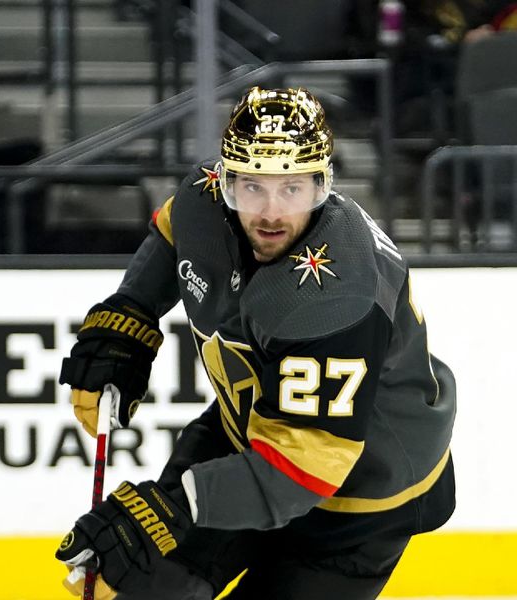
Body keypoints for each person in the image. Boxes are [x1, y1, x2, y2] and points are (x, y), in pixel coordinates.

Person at [54, 87, 457, 600]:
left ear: (322, 186)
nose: (270, 213)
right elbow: (174, 234)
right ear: (223, 181)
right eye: (251, 188)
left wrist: (171, 507)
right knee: (147, 586)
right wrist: (130, 311)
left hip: (358, 496)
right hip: (252, 433)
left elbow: (301, 472)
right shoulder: (202, 200)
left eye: (293, 190)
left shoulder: (338, 295)